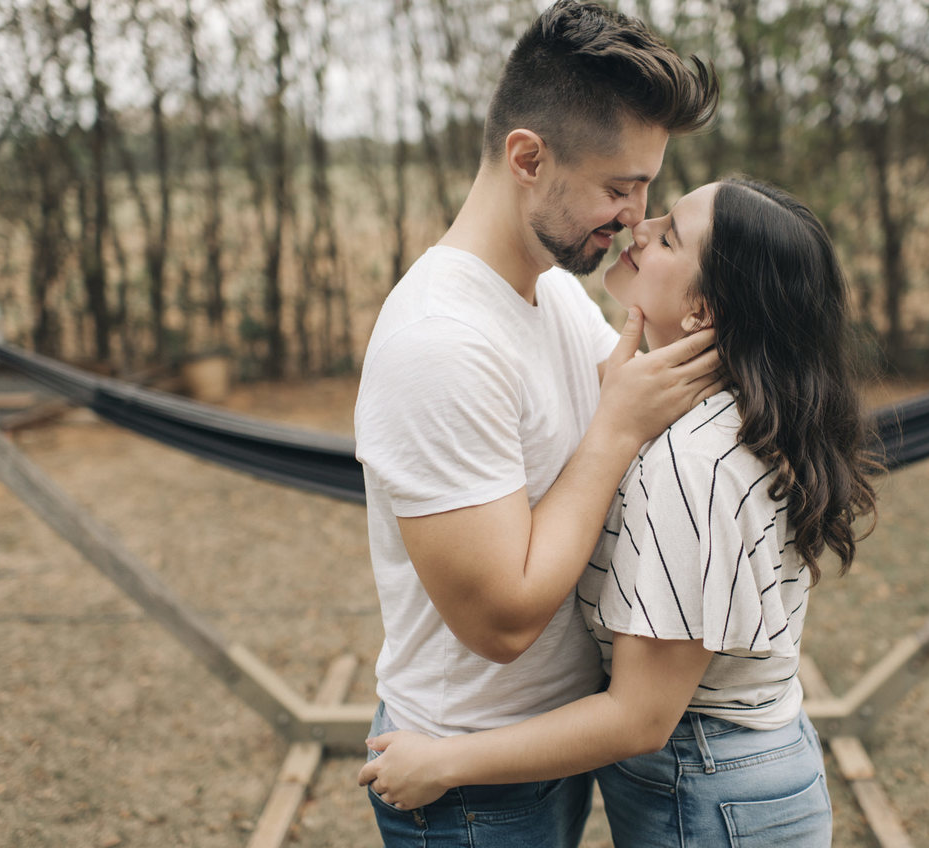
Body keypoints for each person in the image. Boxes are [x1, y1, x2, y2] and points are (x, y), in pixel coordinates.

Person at [358, 178, 880, 848]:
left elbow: (639, 719)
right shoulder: (723, 417)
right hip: (728, 773)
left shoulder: (693, 464)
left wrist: (442, 763)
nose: (641, 225)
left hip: (707, 782)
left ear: (703, 311)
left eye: (668, 236)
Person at [352, 2, 720, 845]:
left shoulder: (551, 289)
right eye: (618, 187)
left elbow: (643, 395)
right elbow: (502, 623)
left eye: (647, 188)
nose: (635, 214)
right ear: (527, 157)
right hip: (467, 784)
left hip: (537, 755)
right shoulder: (440, 341)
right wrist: (616, 430)